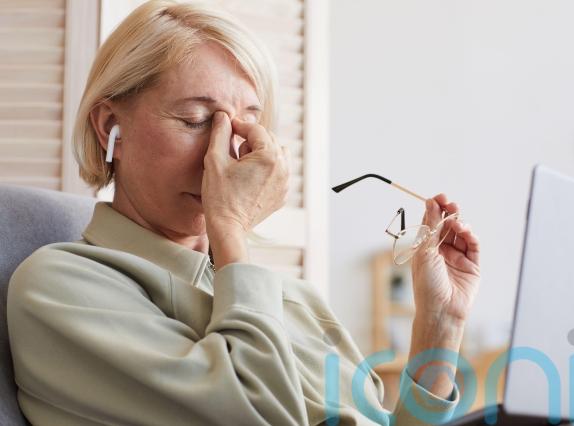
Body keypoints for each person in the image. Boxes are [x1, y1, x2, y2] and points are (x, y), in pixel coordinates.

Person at [7, 1, 481, 425]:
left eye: (247, 125)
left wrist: (440, 326)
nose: (227, 153)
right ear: (111, 126)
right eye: (195, 121)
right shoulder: (60, 286)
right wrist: (230, 226)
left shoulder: (289, 297)